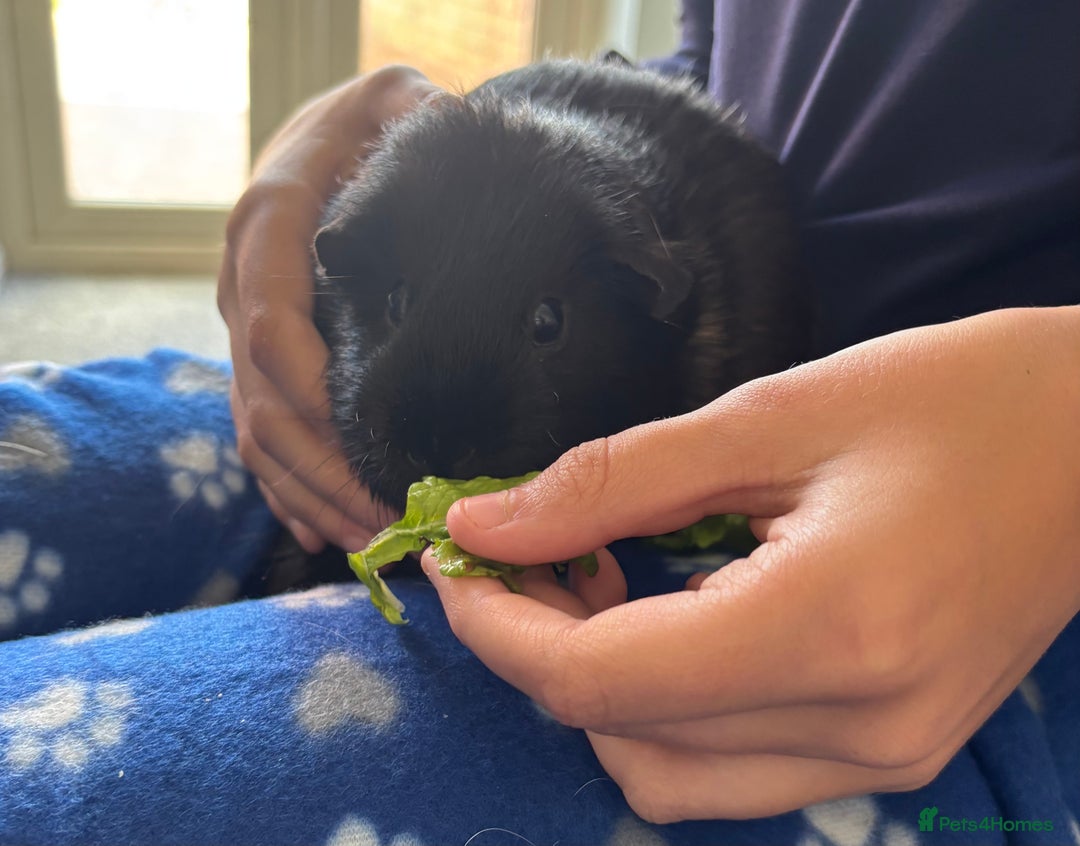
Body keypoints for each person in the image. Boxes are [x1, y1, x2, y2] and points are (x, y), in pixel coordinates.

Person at [217, 0, 1080, 823]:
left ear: (644, 294)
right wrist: (341, 137)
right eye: (396, 302)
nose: (443, 425)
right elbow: (713, 67)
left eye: (547, 324)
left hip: (967, 573)